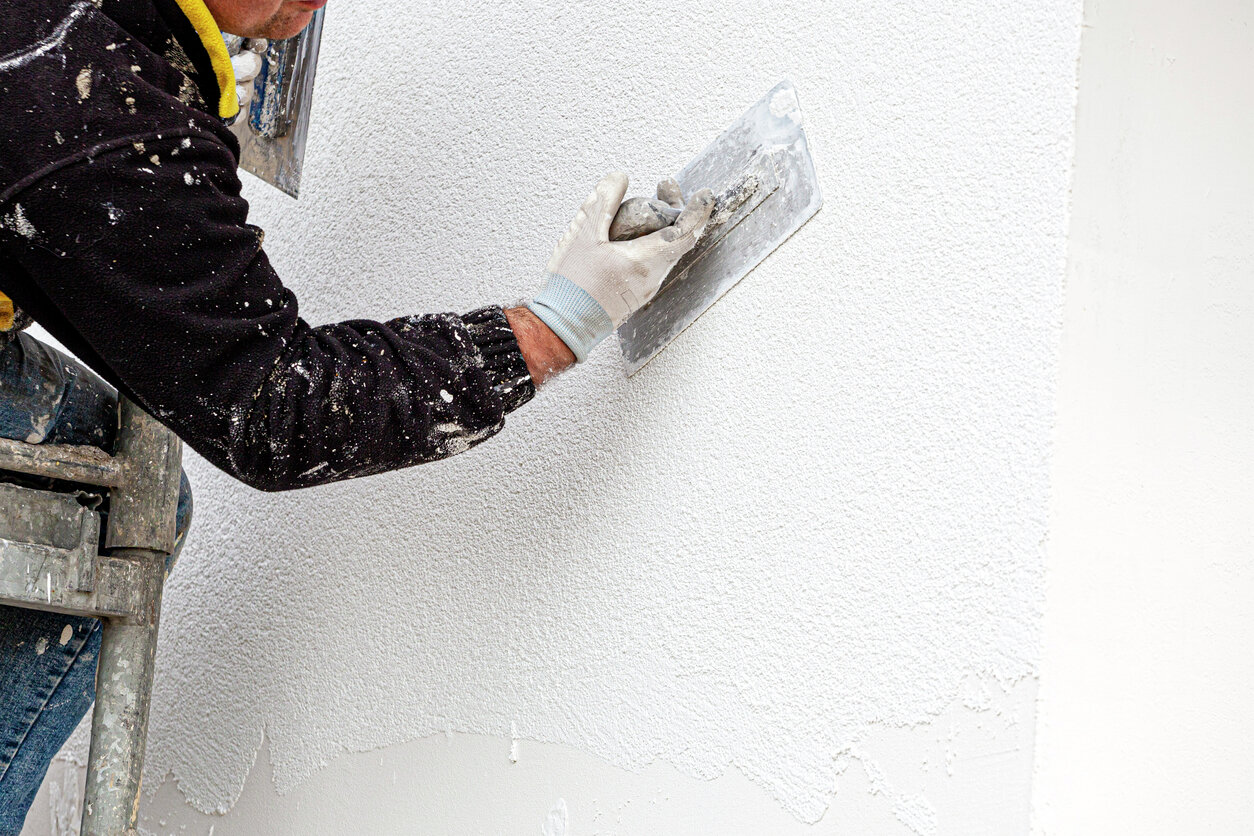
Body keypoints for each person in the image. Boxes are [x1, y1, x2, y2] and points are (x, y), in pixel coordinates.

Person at [0, 0, 714, 829]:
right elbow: (271, 404)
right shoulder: (85, 83)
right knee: (103, 498)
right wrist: (554, 326)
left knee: (109, 473)